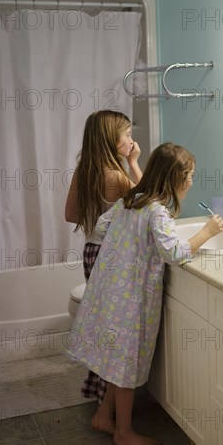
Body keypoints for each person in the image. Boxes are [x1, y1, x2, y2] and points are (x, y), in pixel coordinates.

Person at [66, 142, 223, 445]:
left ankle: (103, 415)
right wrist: (208, 231)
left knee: (115, 362)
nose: (192, 181)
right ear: (177, 178)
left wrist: (128, 249)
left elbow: (101, 226)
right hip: (131, 302)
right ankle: (123, 432)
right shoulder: (158, 212)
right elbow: (175, 253)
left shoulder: (131, 199)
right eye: (190, 175)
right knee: (125, 368)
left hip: (111, 293)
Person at [65, 109, 143, 428]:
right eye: (126, 134)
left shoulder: (86, 170)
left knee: (105, 332)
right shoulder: (117, 175)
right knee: (116, 338)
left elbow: (71, 214)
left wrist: (103, 216)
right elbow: (153, 203)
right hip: (112, 259)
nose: (130, 139)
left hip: (92, 252)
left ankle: (103, 406)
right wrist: (134, 162)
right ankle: (106, 413)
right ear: (113, 140)